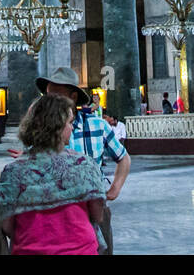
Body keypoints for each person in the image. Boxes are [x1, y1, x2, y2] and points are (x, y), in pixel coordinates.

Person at [0, 94, 106, 254]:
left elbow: (6, 225)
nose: (72, 128)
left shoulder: (13, 172)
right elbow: (98, 215)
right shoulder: (85, 165)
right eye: (70, 122)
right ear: (57, 126)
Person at [34, 67, 129, 255]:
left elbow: (123, 157)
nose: (50, 101)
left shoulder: (97, 125)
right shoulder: (39, 129)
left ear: (73, 97)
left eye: (56, 95)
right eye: (48, 95)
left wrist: (114, 188)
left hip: (94, 210)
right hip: (56, 213)